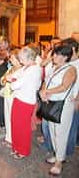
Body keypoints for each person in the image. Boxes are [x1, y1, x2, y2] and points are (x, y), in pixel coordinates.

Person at [40, 45, 77, 176]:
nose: (53, 56)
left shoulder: (71, 69)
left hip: (63, 105)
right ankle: (57, 155)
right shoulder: (55, 67)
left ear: (65, 57)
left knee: (61, 133)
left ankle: (59, 162)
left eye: (57, 54)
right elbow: (46, 81)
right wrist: (42, 91)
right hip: (51, 103)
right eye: (54, 54)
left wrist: (47, 91)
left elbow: (64, 86)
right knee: (52, 131)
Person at [10, 47, 42, 159]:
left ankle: (23, 150)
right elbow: (16, 74)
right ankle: (16, 147)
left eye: (21, 59)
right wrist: (12, 77)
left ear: (29, 58)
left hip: (26, 101)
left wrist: (12, 80)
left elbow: (15, 85)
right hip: (19, 99)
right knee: (15, 124)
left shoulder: (34, 69)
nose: (20, 61)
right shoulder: (27, 67)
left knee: (22, 127)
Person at [0, 49, 22, 148]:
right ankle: (8, 137)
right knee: (7, 116)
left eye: (12, 57)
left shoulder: (22, 70)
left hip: (15, 95)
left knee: (13, 118)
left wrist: (7, 79)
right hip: (8, 93)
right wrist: (5, 79)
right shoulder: (11, 68)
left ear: (18, 58)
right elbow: (3, 78)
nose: (10, 59)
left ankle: (14, 138)